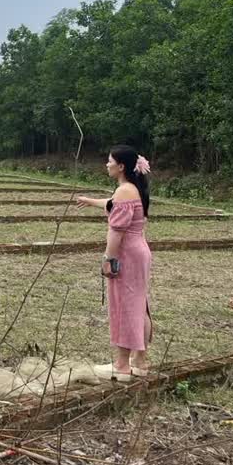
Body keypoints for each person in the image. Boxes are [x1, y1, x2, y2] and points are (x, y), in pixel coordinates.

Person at [76, 145, 153, 380]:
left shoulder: (124, 191)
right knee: (139, 304)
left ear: (121, 166)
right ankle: (139, 361)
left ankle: (121, 365)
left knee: (125, 306)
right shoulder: (132, 189)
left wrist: (109, 259)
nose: (106, 164)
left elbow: (116, 231)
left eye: (110, 161)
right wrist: (90, 201)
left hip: (126, 253)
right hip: (139, 251)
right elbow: (111, 203)